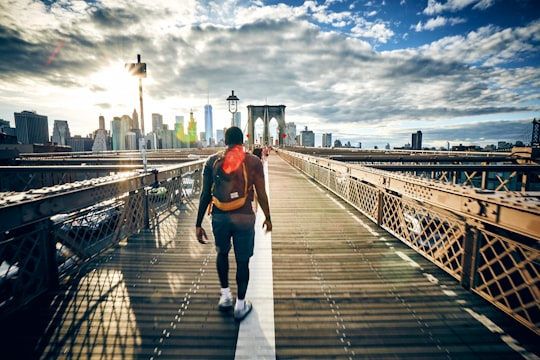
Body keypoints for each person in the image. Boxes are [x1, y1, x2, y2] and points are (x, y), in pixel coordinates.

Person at [195, 126, 272, 321]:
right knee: (242, 261)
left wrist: (198, 224)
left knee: (222, 253)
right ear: (242, 142)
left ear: (225, 142)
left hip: (220, 216)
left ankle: (225, 297)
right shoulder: (254, 161)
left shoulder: (212, 161)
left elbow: (205, 195)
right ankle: (240, 305)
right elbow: (261, 194)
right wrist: (268, 217)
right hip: (244, 216)